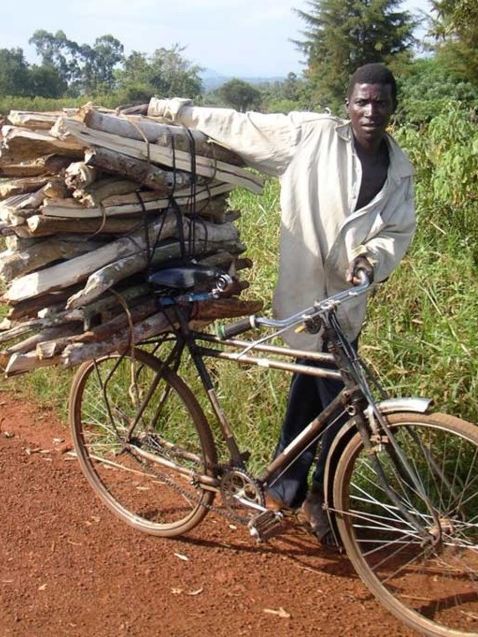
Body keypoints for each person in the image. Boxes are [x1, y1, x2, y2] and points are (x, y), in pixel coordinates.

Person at [122, 63, 416, 547]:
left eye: (380, 102)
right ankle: (318, 499)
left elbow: (396, 232)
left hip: (343, 306)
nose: (370, 111)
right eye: (362, 101)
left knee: (318, 394)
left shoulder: (398, 173)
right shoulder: (312, 137)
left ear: (392, 108)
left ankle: (287, 492)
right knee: (337, 402)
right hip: (304, 298)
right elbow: (240, 125)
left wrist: (370, 260)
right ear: (348, 105)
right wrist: (166, 110)